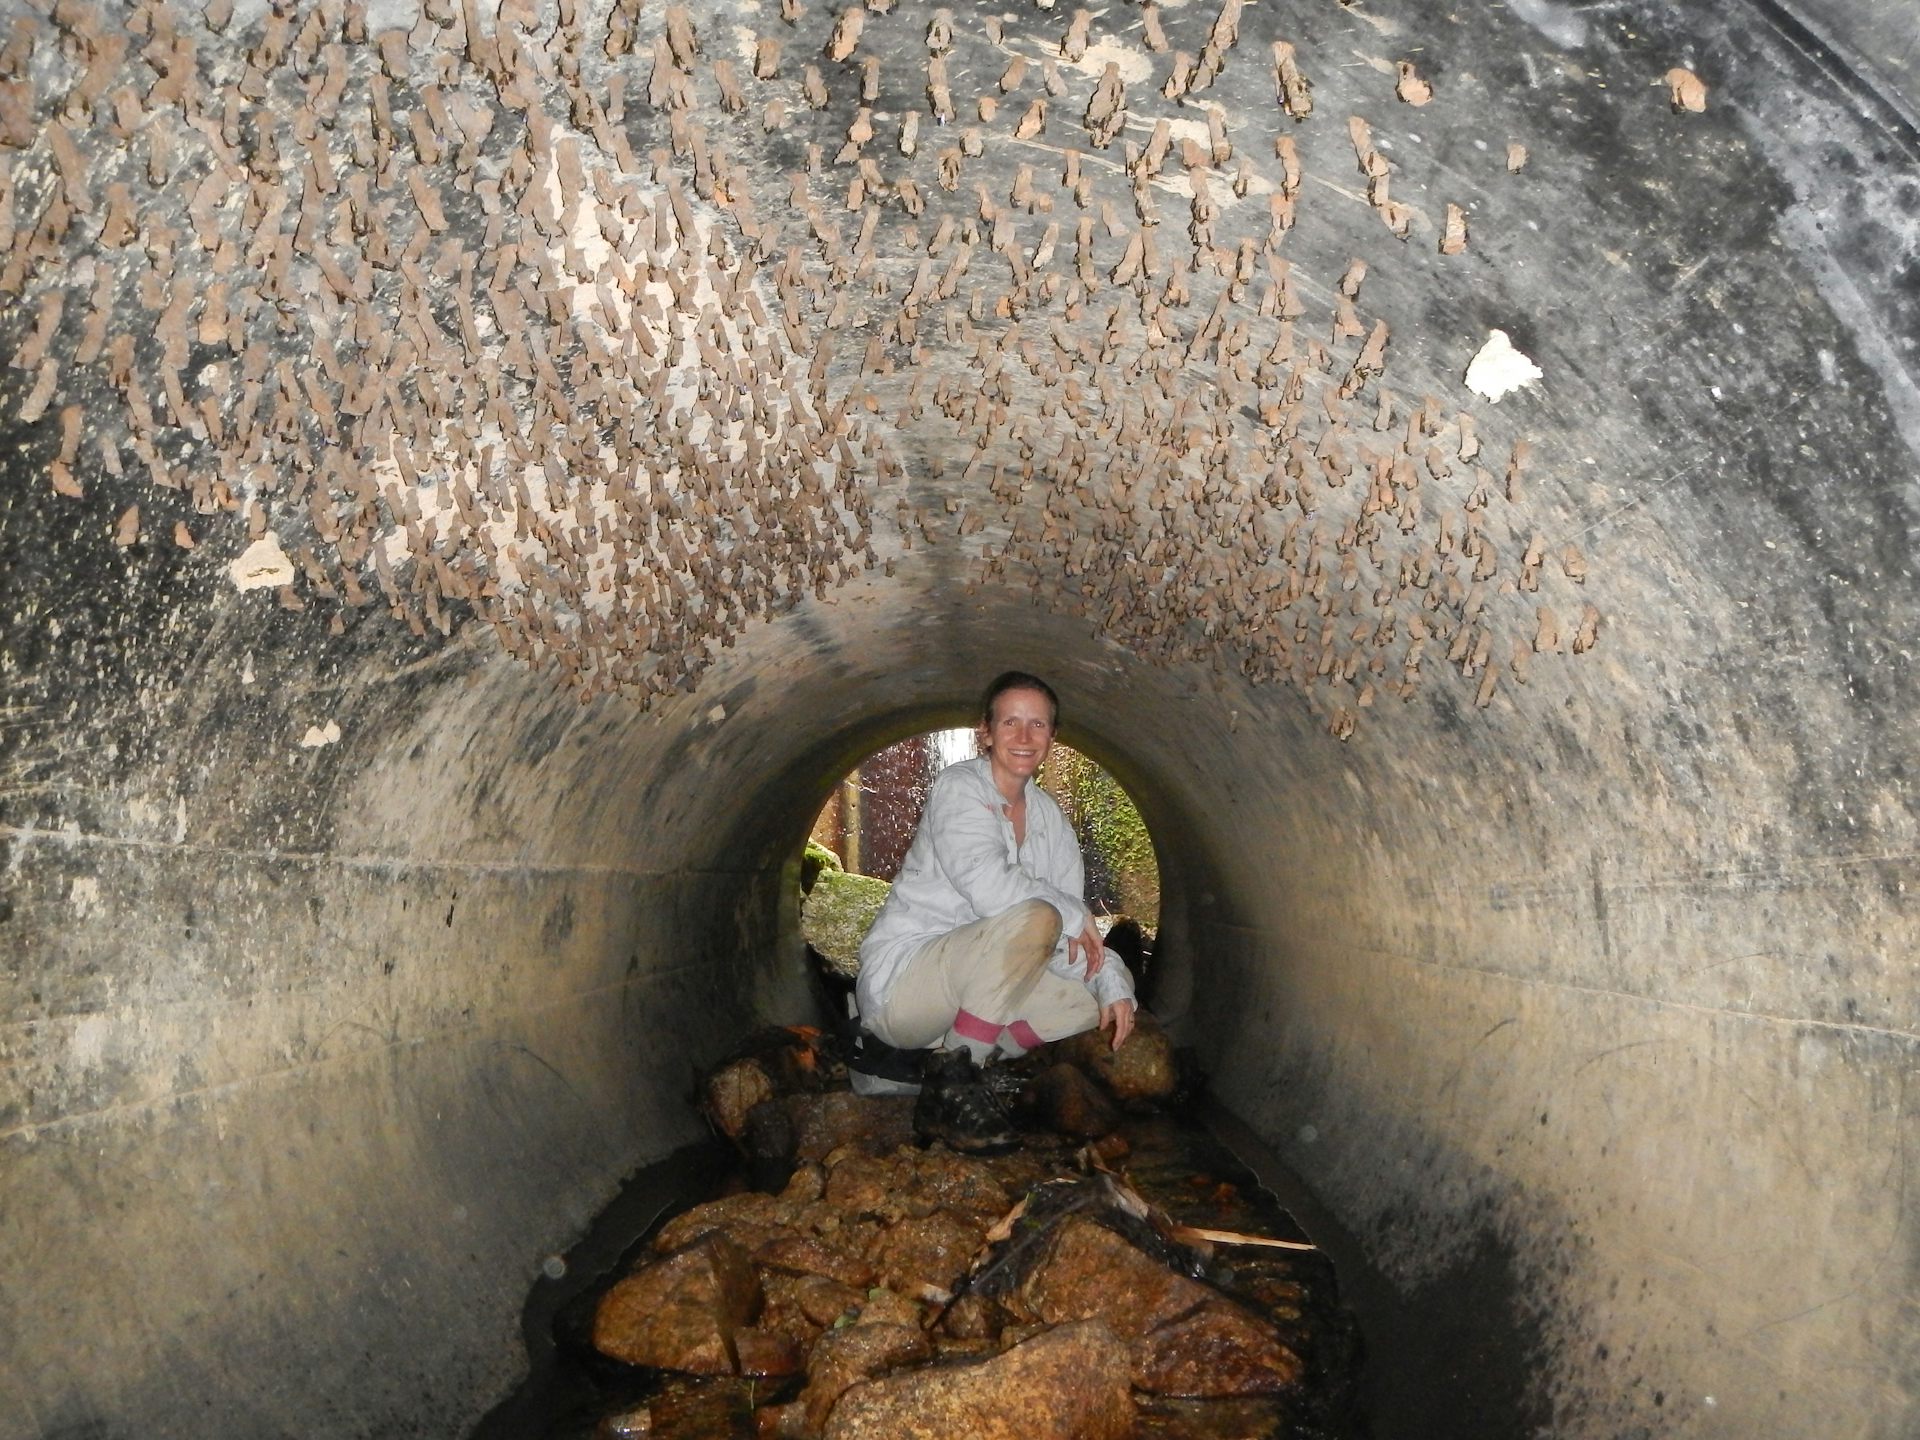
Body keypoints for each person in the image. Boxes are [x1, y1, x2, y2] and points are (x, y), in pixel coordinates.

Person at [850, 671, 1139, 1147]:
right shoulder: (959, 787)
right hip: (909, 990)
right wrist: (1067, 912)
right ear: (985, 732)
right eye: (1010, 723)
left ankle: (962, 1060)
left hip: (973, 996)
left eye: (1038, 725)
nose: (1024, 737)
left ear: (1052, 736)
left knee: (1090, 1002)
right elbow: (996, 893)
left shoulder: (1052, 822)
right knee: (1040, 914)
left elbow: (1068, 937)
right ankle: (954, 1090)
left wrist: (1112, 980)